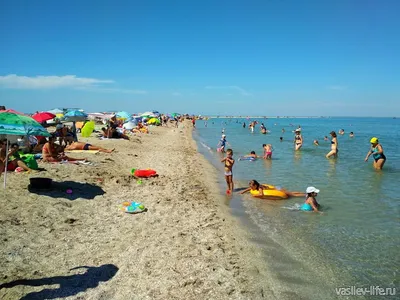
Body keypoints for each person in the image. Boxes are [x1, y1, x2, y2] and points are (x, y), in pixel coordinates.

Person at [240, 180, 305, 198]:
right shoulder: (256, 186)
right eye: (250, 186)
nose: (251, 188)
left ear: (255, 185)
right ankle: (305, 194)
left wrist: (253, 196)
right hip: (276, 188)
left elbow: (261, 194)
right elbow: (248, 189)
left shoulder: (259, 188)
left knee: (292, 194)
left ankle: (305, 195)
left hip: (277, 190)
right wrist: (242, 192)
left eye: (251, 186)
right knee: (291, 193)